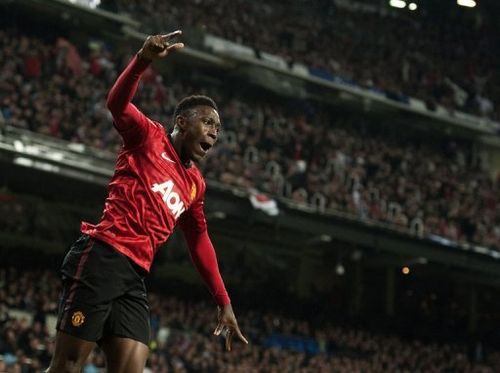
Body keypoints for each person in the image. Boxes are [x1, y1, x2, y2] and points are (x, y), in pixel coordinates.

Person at [46, 30, 248, 373]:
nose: (215, 131)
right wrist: (143, 60)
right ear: (182, 122)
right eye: (208, 122)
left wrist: (223, 301)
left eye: (219, 127)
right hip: (102, 257)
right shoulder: (148, 136)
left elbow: (199, 240)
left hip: (133, 276)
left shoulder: (195, 184)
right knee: (67, 366)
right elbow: (116, 104)